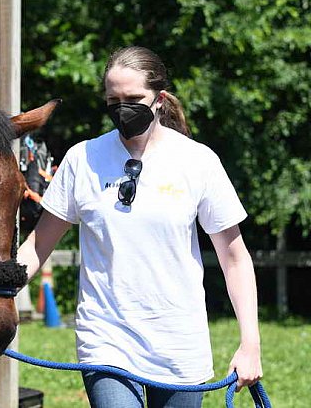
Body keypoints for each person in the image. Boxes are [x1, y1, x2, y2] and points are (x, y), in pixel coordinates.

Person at [17, 46, 262, 408]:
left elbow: (235, 259)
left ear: (159, 100)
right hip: (106, 339)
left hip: (179, 342)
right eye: (112, 100)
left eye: (133, 98)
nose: (122, 108)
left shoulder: (198, 161)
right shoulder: (82, 159)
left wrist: (250, 345)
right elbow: (39, 245)